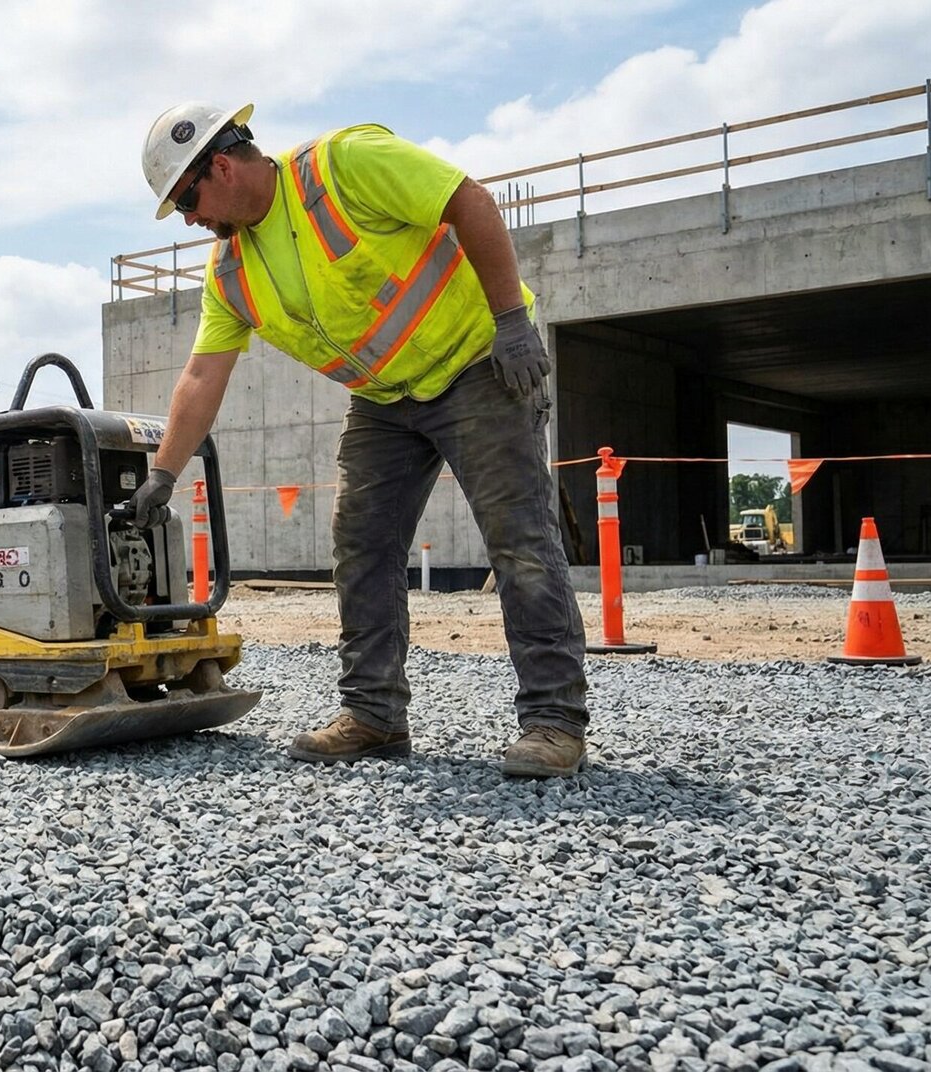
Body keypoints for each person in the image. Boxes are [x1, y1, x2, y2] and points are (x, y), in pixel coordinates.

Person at [129, 103, 589, 778]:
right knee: (361, 546)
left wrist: (512, 322)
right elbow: (202, 375)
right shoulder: (229, 272)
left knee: (519, 541)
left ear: (221, 166)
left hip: (477, 367)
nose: (192, 221)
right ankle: (374, 715)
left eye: (188, 201)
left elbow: (468, 201)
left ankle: (554, 723)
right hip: (384, 399)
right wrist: (163, 478)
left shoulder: (342, 167)